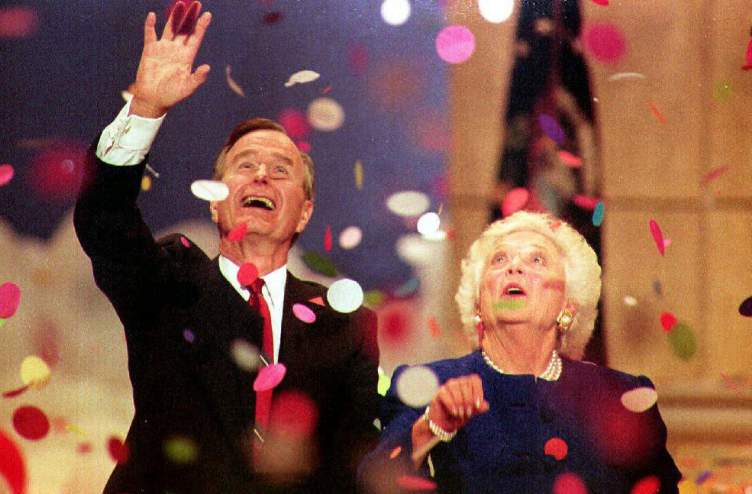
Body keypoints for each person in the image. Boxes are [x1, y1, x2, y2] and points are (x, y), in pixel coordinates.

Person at [74, 2, 378, 492]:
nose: (261, 173)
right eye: (244, 165)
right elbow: (104, 221)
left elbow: (355, 466)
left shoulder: (345, 328)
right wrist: (146, 109)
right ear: (216, 204)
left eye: (281, 170)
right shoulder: (169, 285)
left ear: (304, 211)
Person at [359, 211, 681, 493]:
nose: (514, 268)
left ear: (568, 305)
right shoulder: (429, 384)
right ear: (478, 305)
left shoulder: (623, 396)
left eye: (536, 260)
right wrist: (432, 426)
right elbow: (372, 483)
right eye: (499, 260)